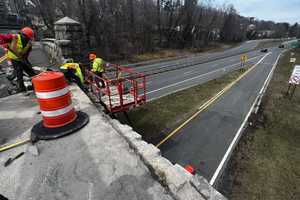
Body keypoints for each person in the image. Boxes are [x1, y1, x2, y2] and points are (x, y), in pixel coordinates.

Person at [3, 27, 36, 92]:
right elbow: (11, 47)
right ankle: (22, 88)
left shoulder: (27, 42)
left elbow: (25, 54)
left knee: (30, 72)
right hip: (15, 59)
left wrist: (24, 56)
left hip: (21, 58)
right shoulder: (15, 38)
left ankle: (35, 84)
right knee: (19, 73)